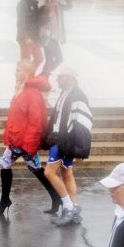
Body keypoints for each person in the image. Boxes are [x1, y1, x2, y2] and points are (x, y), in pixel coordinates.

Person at [0, 61, 61, 216]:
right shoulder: (22, 89)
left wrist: (29, 144)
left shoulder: (31, 93)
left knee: (31, 168)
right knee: (9, 164)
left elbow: (37, 121)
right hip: (17, 139)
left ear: (26, 72)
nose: (15, 72)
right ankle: (5, 200)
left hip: (24, 141)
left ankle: (56, 197)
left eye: (18, 70)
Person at [47, 68, 93, 226]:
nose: (57, 80)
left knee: (49, 173)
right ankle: (73, 207)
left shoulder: (78, 96)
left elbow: (83, 124)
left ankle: (67, 207)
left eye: (60, 77)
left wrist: (80, 148)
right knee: (67, 173)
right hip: (60, 139)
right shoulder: (66, 92)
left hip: (64, 141)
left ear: (70, 77)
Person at [16, 0, 43, 74]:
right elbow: (20, 23)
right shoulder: (23, 4)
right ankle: (20, 84)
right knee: (25, 63)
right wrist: (26, 37)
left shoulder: (34, 4)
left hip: (34, 38)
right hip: (25, 39)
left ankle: (29, 77)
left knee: (39, 58)